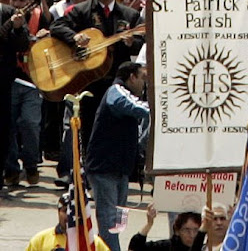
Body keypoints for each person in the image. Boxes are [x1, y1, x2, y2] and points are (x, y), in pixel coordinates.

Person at [50, 0, 144, 154]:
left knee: (118, 129)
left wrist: (131, 43)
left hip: (118, 82)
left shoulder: (129, 15)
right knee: (90, 128)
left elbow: (141, 43)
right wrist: (74, 37)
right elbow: (57, 26)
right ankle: (87, 169)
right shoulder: (82, 10)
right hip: (90, 81)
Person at [86, 62, 150, 251]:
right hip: (104, 169)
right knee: (108, 223)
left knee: (116, 224)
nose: (143, 85)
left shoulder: (124, 93)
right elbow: (135, 107)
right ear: (132, 77)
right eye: (142, 79)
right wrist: (159, 107)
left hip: (120, 170)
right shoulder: (116, 91)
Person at [5, 0, 51, 186]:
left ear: (30, 1)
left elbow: (51, 36)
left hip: (32, 79)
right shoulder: (5, 15)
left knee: (30, 123)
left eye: (21, 0)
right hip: (10, 77)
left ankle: (31, 163)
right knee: (9, 126)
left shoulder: (40, 18)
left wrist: (44, 35)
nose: (16, 4)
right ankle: (12, 167)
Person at [0, 0, 28, 193]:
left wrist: (17, 28)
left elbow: (22, 45)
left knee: (3, 129)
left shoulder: (9, 13)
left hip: (2, 81)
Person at [26, 193, 111, 251]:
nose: (70, 216)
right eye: (65, 210)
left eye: (76, 212)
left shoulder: (94, 242)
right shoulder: (40, 240)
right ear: (58, 212)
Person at [128, 204, 206, 251]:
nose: (192, 235)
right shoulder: (167, 246)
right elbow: (135, 248)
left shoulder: (206, 248)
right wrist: (149, 224)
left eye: (196, 230)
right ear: (177, 231)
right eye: (186, 230)